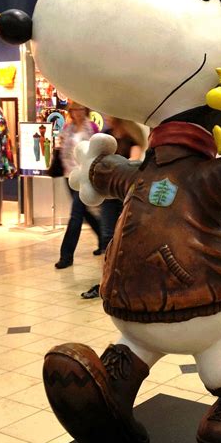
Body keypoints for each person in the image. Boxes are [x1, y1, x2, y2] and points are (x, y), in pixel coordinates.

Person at [81, 117, 147, 298]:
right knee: (108, 237)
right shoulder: (107, 136)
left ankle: (124, 279)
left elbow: (134, 160)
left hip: (126, 194)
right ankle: (107, 280)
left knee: (126, 236)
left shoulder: (130, 136)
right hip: (109, 195)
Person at [54, 102, 101, 269]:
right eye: (75, 109)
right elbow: (63, 150)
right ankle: (104, 238)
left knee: (75, 215)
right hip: (69, 175)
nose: (78, 112)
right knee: (83, 212)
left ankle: (66, 255)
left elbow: (98, 151)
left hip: (85, 176)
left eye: (81, 109)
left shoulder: (92, 128)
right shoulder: (68, 129)